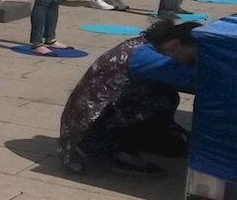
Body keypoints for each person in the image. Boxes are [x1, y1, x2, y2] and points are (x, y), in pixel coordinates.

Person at [59, 20, 199, 175]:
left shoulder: (146, 45)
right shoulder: (144, 57)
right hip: (91, 125)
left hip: (93, 114)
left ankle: (146, 141)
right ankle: (112, 150)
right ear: (174, 45)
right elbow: (192, 80)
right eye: (191, 59)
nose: (191, 63)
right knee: (162, 100)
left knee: (164, 95)